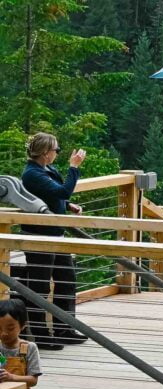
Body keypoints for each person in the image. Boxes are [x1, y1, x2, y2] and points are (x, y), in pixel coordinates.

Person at [20, 133, 86, 350]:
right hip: (38, 236)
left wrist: (68, 205)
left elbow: (55, 196)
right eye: (56, 150)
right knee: (39, 286)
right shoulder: (32, 174)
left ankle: (63, 329)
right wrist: (74, 167)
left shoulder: (48, 170)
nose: (58, 153)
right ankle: (41, 335)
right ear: (45, 152)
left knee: (67, 280)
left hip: (56, 233)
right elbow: (62, 189)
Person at [0, 299, 42, 389]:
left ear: (23, 325)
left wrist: (12, 378)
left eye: (10, 328)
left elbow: (33, 380)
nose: (4, 333)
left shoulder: (28, 348)